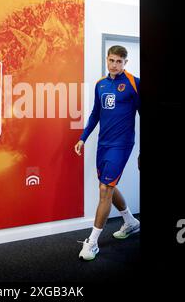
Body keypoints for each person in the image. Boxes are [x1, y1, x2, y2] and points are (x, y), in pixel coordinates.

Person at [75, 45, 140, 261]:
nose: (114, 65)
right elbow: (95, 114)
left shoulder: (133, 83)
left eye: (119, 61)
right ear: (107, 59)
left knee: (105, 189)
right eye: (111, 60)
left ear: (125, 62)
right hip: (104, 144)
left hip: (122, 144)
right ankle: (131, 222)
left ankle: (92, 243)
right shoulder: (100, 84)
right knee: (107, 184)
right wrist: (83, 138)